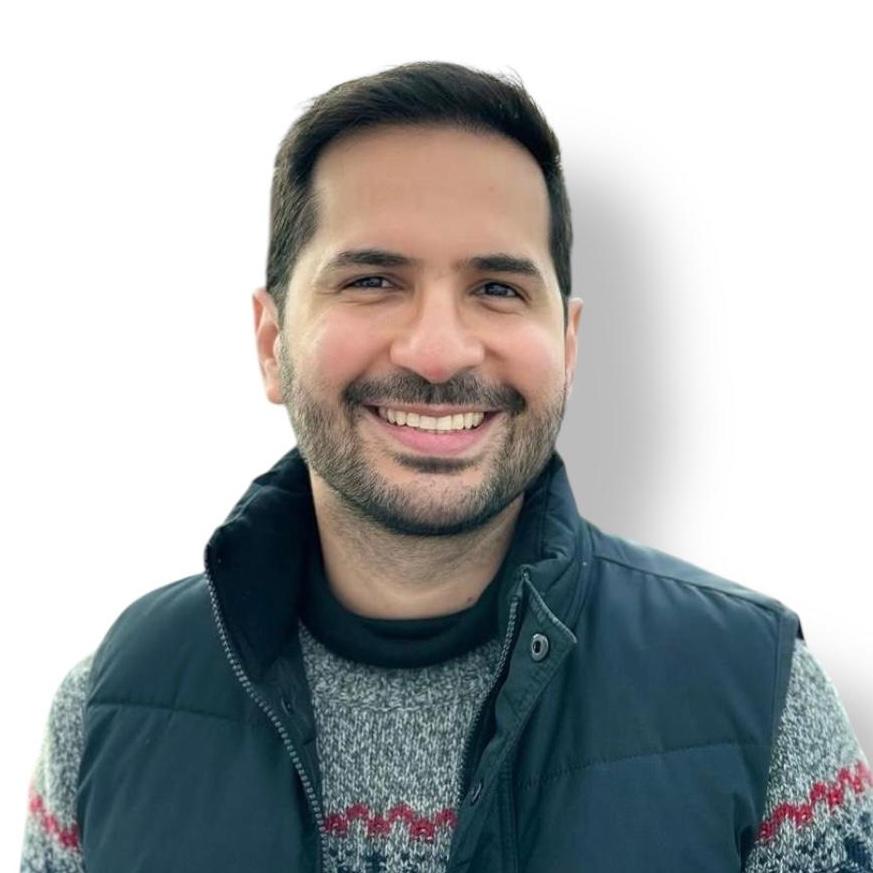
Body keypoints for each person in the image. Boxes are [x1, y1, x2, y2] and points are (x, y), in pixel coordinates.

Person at [20, 60, 871, 873]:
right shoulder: (104, 712)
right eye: (372, 280)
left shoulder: (758, 698)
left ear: (568, 345)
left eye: (497, 289)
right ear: (271, 342)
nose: (436, 351)